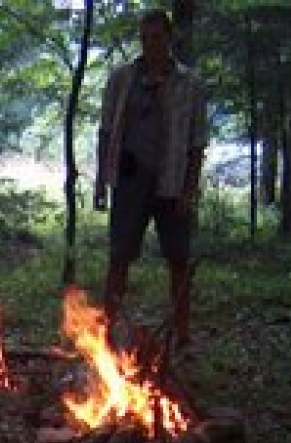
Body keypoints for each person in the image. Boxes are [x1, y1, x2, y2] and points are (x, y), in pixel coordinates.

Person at [94, 9, 208, 352]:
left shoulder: (190, 84)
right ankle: (106, 332)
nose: (150, 45)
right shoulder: (123, 78)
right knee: (119, 256)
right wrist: (101, 180)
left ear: (169, 38)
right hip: (130, 179)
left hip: (172, 181)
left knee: (178, 258)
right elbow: (106, 130)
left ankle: (181, 333)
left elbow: (197, 142)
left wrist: (189, 189)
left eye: (156, 37)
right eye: (144, 38)